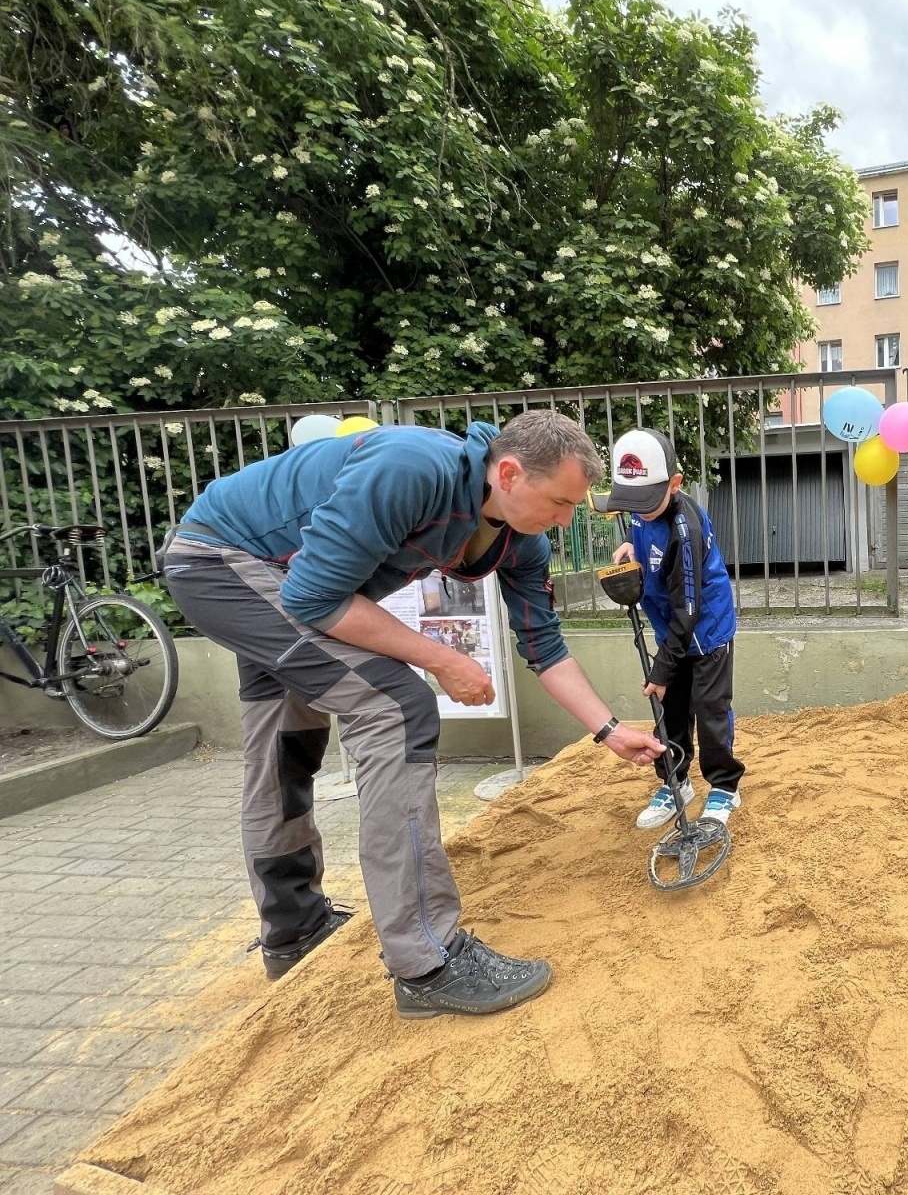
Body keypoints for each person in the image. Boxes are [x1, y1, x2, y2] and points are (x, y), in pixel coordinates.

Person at [160, 410, 664, 1018]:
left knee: (286, 736)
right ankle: (427, 959)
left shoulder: (521, 543)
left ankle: (292, 931)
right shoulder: (414, 466)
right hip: (224, 561)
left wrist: (609, 731)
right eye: (558, 502)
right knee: (397, 707)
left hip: (269, 577)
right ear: (507, 473)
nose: (563, 520)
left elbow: (544, 645)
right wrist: (442, 660)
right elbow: (314, 597)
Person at [598, 428, 745, 829]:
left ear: (675, 484)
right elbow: (638, 521)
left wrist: (662, 670)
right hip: (672, 629)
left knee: (710, 710)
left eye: (644, 502)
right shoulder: (641, 504)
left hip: (704, 630)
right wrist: (631, 541)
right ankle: (676, 781)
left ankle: (725, 787)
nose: (637, 510)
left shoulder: (686, 533)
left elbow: (689, 610)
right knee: (671, 712)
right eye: (631, 502)